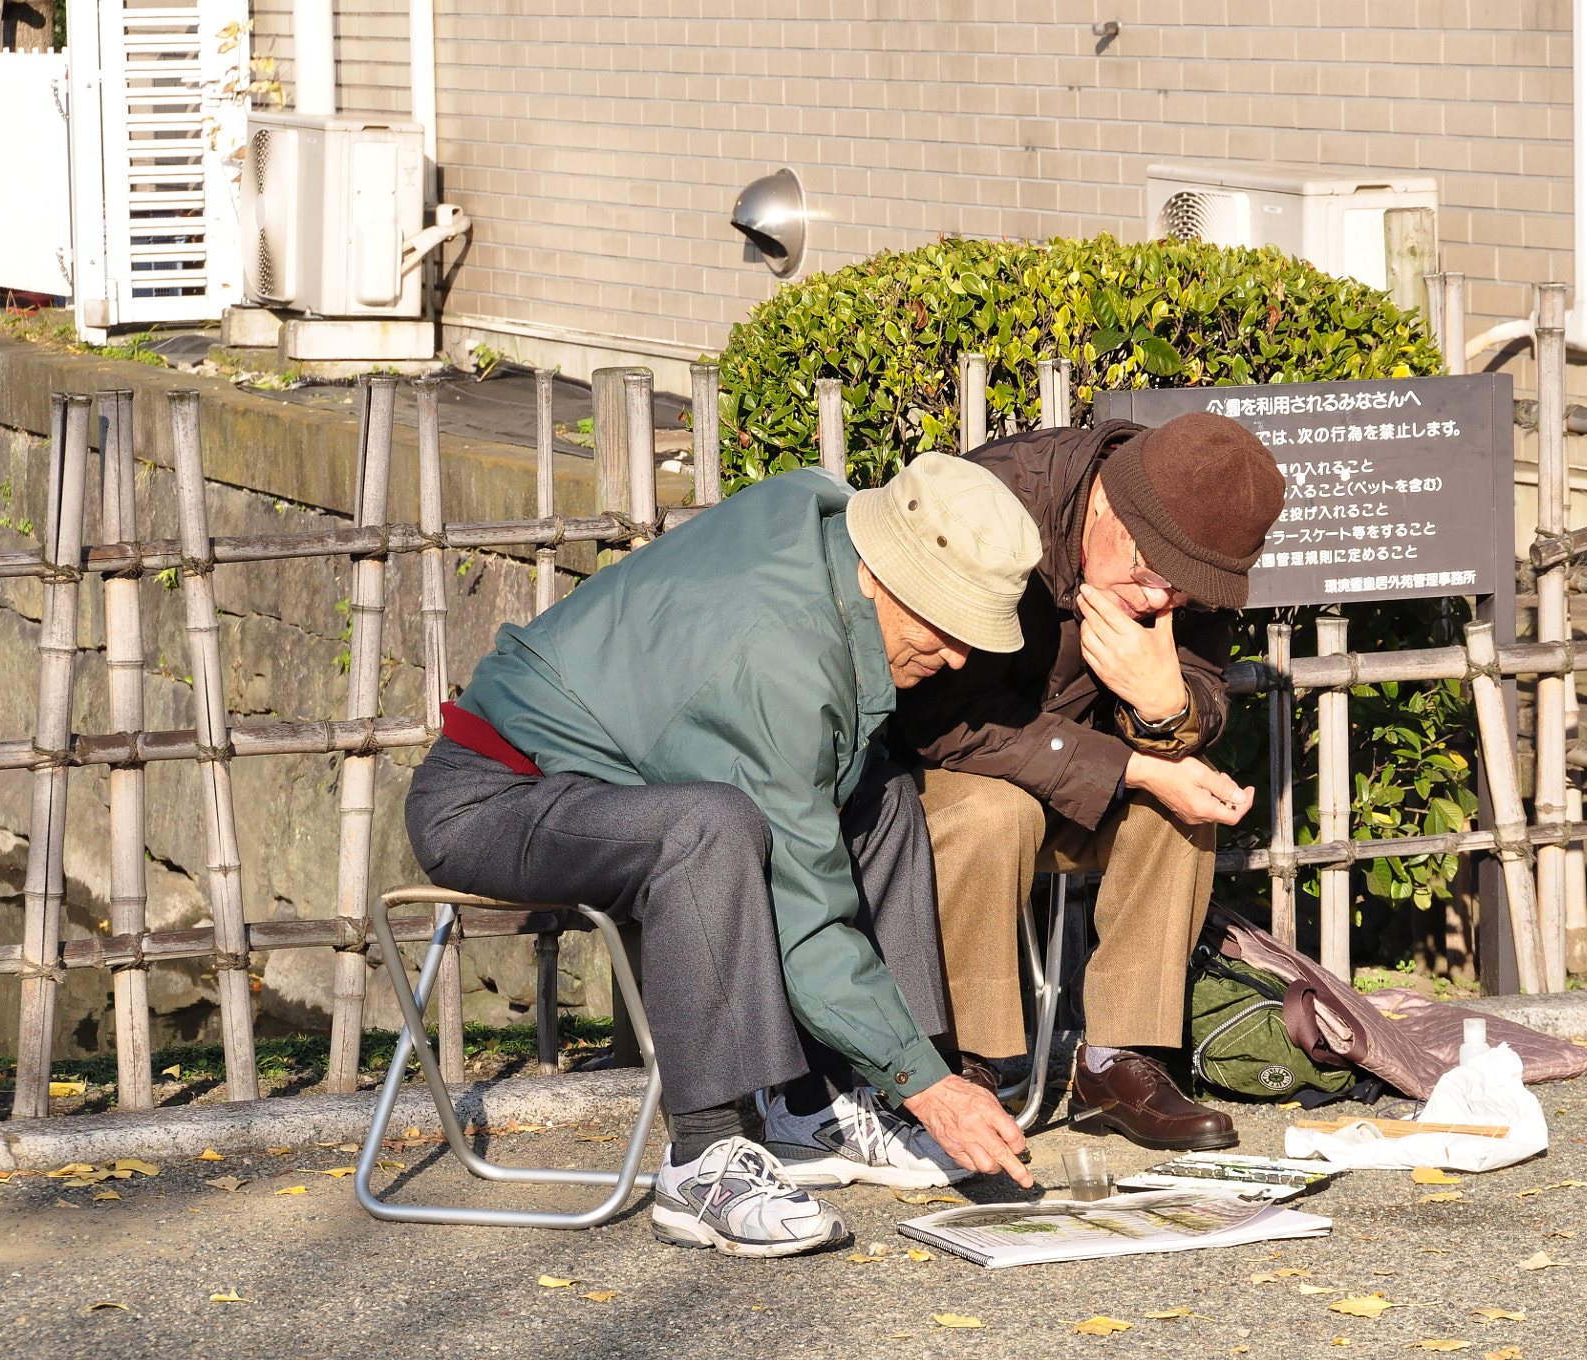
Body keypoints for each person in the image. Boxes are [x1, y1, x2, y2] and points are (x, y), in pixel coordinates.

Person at [404, 453, 1042, 1259]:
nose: (955, 658)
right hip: (488, 799)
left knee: (881, 796)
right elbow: (803, 914)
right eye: (945, 625)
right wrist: (927, 1081)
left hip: (599, 782)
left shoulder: (827, 526)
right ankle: (702, 1159)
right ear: (883, 573)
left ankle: (823, 1108)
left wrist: (902, 1075)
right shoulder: (776, 652)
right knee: (711, 829)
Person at [895, 411, 1286, 1151]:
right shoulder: (994, 501)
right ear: (1107, 501)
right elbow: (935, 713)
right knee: (992, 811)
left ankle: (1121, 1059)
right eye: (1149, 573)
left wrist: (1166, 708)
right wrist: (1135, 764)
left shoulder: (1184, 548)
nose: (1160, 600)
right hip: (943, 772)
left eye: (1187, 591)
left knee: (1181, 801)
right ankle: (965, 1061)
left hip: (1075, 781)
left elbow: (1198, 692)